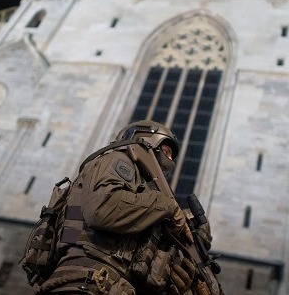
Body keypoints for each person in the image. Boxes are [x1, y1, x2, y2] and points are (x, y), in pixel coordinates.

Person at [38, 120, 198, 295]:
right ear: (147, 141)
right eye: (166, 151)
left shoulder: (141, 197)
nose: (169, 160)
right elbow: (103, 210)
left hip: (111, 286)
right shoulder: (116, 160)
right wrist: (167, 205)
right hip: (87, 281)